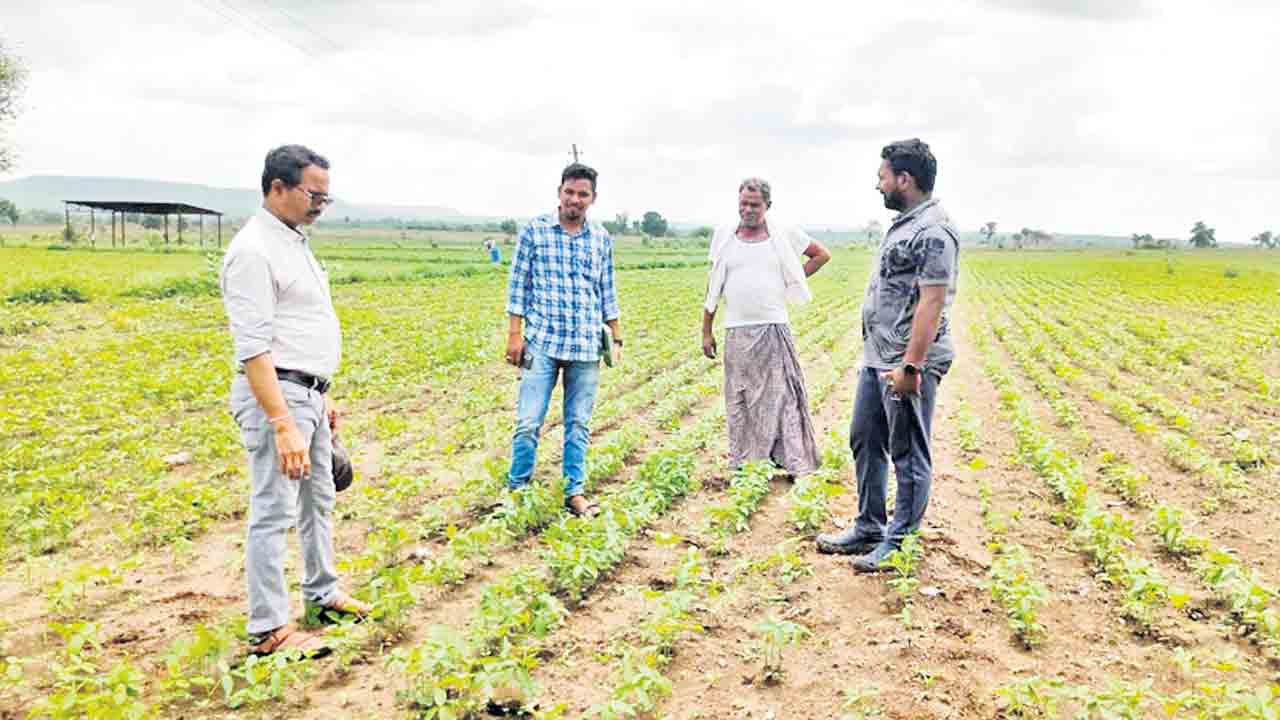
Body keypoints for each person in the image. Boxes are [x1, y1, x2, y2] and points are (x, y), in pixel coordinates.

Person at [220, 144, 370, 655]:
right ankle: (268, 628)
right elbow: (254, 348)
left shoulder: (293, 241)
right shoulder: (252, 250)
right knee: (273, 509)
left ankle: (323, 593)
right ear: (277, 187)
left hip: (307, 393)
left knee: (318, 500)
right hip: (277, 397)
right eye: (314, 195)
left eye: (327, 198)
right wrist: (282, 420)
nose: (321, 206)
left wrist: (320, 393)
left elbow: (299, 327)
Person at [815, 138, 960, 573]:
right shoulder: (906, 222)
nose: (877, 185)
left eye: (882, 177)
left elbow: (932, 301)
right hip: (879, 355)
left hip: (906, 360)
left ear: (904, 179)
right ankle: (869, 526)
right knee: (865, 437)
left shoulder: (934, 230)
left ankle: (898, 542)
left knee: (908, 452)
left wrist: (911, 366)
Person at [504, 163, 621, 517]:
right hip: (542, 342)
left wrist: (615, 334)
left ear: (593, 199)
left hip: (586, 345)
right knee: (528, 421)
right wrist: (514, 335)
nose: (575, 199)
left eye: (582, 194)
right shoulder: (535, 231)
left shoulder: (600, 238)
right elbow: (517, 286)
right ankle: (517, 489)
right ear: (559, 192)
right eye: (569, 192)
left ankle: (575, 492)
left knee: (579, 423)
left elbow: (607, 290)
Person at [702, 177, 831, 476]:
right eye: (743, 203)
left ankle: (792, 460)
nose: (747, 210)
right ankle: (747, 463)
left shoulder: (783, 233)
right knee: (742, 398)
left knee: (783, 396)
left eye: (755, 205)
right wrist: (706, 329)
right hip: (736, 329)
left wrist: (789, 283)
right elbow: (713, 284)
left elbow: (821, 255)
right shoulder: (724, 235)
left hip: (773, 328)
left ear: (768, 206)